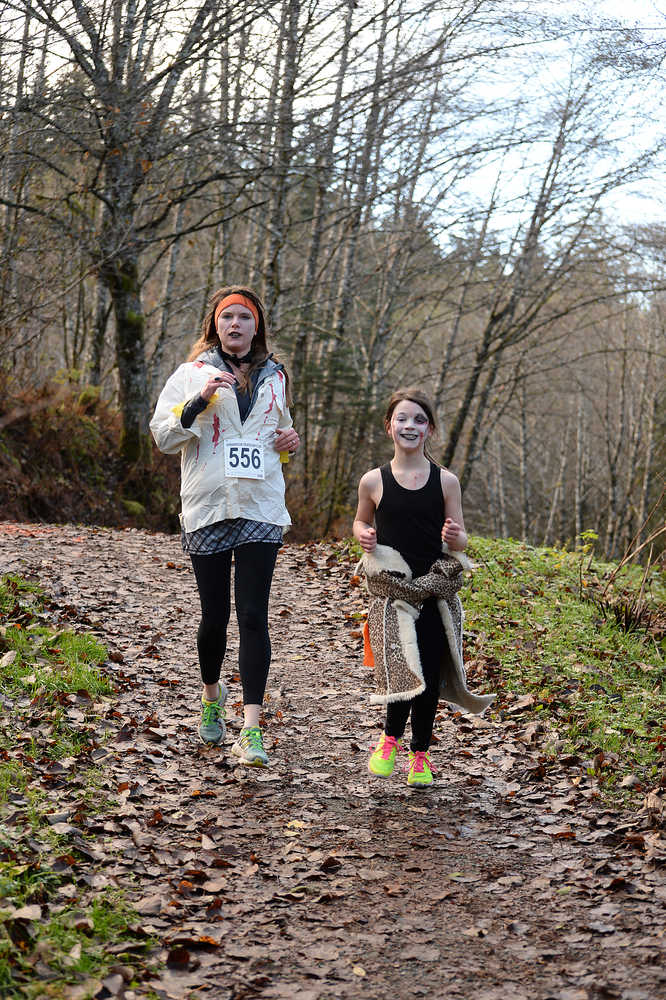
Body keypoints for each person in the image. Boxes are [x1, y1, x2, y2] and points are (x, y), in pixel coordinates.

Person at [150, 286, 299, 767]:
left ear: (258, 326)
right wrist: (197, 401)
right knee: (215, 616)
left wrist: (288, 441)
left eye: (244, 318)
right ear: (214, 325)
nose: (235, 325)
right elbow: (163, 436)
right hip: (209, 503)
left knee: (254, 614)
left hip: (259, 505)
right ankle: (211, 697)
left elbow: (276, 436)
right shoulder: (191, 374)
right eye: (227, 317)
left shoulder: (276, 377)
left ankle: (252, 728)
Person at [353, 387, 494, 788]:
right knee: (400, 668)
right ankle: (388, 740)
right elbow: (360, 522)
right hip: (392, 594)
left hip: (433, 590)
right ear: (389, 426)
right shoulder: (373, 481)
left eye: (418, 420)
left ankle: (420, 755)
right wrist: (364, 533)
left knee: (428, 674)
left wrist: (456, 535)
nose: (409, 426)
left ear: (429, 429)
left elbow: (460, 541)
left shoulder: (445, 481)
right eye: (402, 419)